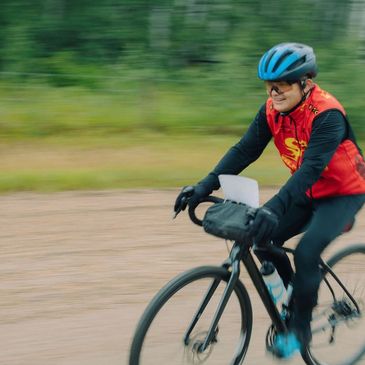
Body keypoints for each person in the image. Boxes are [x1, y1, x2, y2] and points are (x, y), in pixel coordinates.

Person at [173, 42, 365, 358]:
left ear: (305, 82)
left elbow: (311, 169)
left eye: (282, 85)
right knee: (263, 239)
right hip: (308, 190)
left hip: (344, 193)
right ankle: (301, 297)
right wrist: (204, 185)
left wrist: (273, 208)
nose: (274, 93)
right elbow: (244, 150)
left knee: (306, 251)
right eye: (269, 86)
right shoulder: (271, 111)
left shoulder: (327, 115)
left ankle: (300, 331)